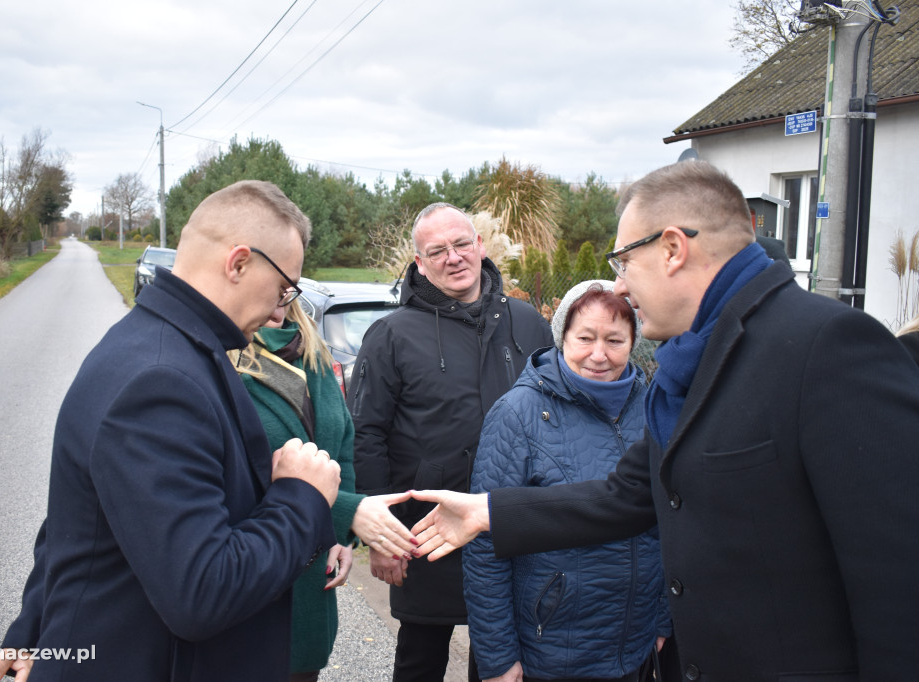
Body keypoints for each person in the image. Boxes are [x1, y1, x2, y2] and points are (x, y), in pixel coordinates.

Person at [410, 161, 919, 681]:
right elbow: (627, 496)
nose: (621, 287)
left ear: (673, 249)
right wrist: (490, 511)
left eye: (625, 263)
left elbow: (898, 586)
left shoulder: (830, 348)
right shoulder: (685, 366)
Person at [0, 180, 343, 682]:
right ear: (239, 263)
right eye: (284, 288)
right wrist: (301, 498)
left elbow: (85, 523)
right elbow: (202, 592)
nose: (283, 312)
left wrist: (35, 624)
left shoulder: (157, 344)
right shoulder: (162, 379)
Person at [350, 202, 553, 681]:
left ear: (480, 247)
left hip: (509, 521)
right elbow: (368, 436)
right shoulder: (391, 335)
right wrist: (382, 537)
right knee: (421, 657)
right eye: (436, 250)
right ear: (419, 264)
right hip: (424, 529)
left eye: (462, 244)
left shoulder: (527, 323)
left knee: (501, 657)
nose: (453, 257)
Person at [464, 280, 670, 682]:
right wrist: (498, 658)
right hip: (549, 651)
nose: (599, 355)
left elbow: (670, 523)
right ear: (561, 337)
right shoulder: (518, 414)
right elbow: (485, 543)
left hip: (634, 647)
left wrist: (662, 620)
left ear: (634, 341)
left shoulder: (653, 408)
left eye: (614, 340)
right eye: (585, 338)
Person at [230, 297, 417, 681]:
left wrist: (341, 537)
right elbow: (249, 471)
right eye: (272, 293)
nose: (278, 308)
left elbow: (341, 448)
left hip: (313, 564)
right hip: (258, 561)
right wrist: (348, 511)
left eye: (286, 295)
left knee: (302, 665)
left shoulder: (311, 351)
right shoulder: (227, 362)